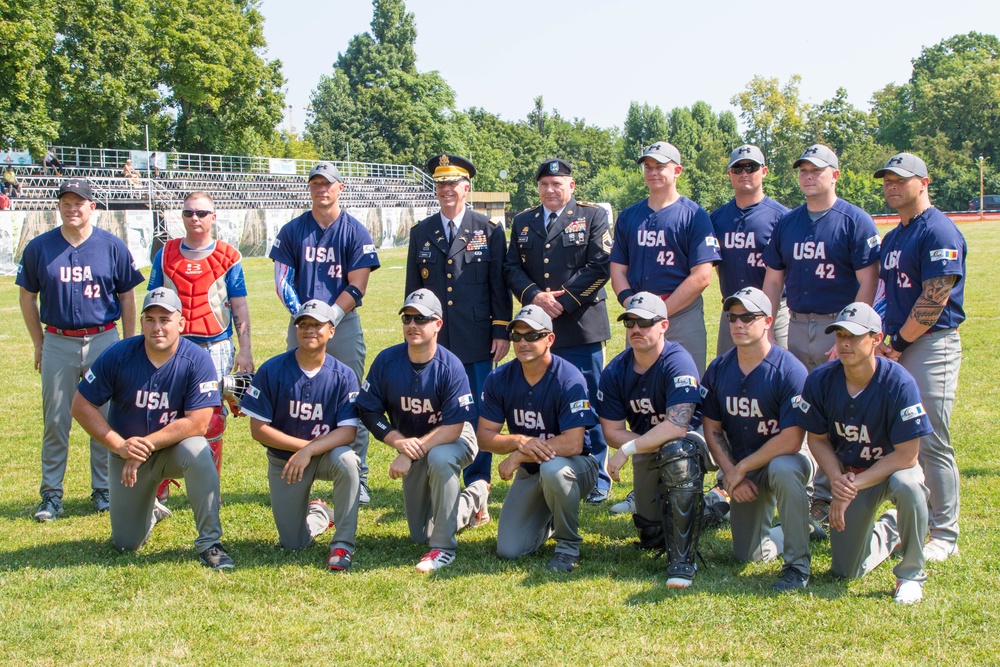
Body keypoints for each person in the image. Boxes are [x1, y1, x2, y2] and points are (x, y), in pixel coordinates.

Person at [70, 287, 234, 570]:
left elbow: (199, 422)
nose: (157, 327)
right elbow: (80, 405)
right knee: (125, 544)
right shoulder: (119, 355)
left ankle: (210, 543)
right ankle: (151, 511)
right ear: (142, 321)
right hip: (127, 455)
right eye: (150, 319)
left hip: (173, 451)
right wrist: (118, 445)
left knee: (198, 449)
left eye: (165, 319)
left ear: (180, 323)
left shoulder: (197, 359)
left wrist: (145, 445)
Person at [761, 144, 881, 523]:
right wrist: (764, 323)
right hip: (797, 322)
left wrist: (851, 333)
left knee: (838, 409)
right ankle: (804, 490)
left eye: (817, 170)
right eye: (803, 170)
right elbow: (774, 279)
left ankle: (834, 491)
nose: (809, 176)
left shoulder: (854, 219)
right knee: (802, 408)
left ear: (835, 174)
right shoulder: (788, 222)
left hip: (838, 325)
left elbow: (869, 281)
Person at [16, 178, 144, 521]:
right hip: (58, 339)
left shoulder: (111, 245)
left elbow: (127, 296)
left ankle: (103, 489)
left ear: (93, 207)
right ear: (59, 206)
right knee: (56, 419)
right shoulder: (40, 247)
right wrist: (39, 343)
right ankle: (51, 494)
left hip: (103, 339)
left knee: (103, 418)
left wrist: (129, 344)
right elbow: (27, 295)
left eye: (79, 203)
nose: (72, 208)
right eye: (66, 202)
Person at [796, 302, 932, 604]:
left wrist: (850, 488)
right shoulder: (820, 380)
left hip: (891, 470)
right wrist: (837, 480)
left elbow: (908, 455)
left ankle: (910, 574)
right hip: (849, 475)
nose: (845, 343)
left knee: (909, 486)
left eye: (855, 336)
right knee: (846, 571)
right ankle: (892, 528)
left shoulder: (899, 383)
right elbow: (817, 439)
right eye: (840, 335)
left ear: (876, 338)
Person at [405, 154, 512, 522]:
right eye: (440, 184)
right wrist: (415, 332)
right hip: (436, 340)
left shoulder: (490, 230)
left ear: (467, 188)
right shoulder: (422, 232)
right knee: (439, 410)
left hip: (477, 338)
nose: (447, 190)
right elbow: (413, 289)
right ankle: (439, 477)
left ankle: (478, 484)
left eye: (454, 184)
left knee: (477, 413)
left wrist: (501, 329)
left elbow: (499, 284)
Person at [874, 152, 966, 562]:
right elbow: (884, 294)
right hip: (897, 342)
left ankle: (945, 532)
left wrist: (898, 342)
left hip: (930, 344)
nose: (892, 186)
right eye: (887, 180)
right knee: (901, 434)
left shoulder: (939, 230)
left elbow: (935, 298)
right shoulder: (894, 236)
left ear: (924, 182)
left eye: (901, 179)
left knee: (930, 438)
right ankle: (919, 516)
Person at [269, 161, 380, 504]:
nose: (321, 189)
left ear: (339, 187)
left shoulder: (354, 230)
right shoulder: (292, 230)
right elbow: (282, 279)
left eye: (327, 183)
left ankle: (356, 475)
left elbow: (358, 283)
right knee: (293, 397)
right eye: (315, 183)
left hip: (342, 324)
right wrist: (306, 317)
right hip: (302, 324)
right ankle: (293, 468)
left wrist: (329, 317)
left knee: (351, 399)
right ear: (310, 188)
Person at [503, 158, 612, 505]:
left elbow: (601, 263)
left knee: (587, 398)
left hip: (580, 325)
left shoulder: (593, 216)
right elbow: (511, 268)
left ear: (572, 186)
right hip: (536, 328)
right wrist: (535, 296)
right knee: (546, 398)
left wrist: (563, 301)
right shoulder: (523, 221)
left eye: (558, 184)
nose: (551, 190)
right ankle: (549, 466)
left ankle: (597, 474)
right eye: (545, 184)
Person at [357, 289, 487, 572]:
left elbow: (453, 427)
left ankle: (444, 548)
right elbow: (368, 409)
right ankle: (475, 496)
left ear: (437, 324)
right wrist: (399, 443)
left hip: (454, 437)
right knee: (420, 534)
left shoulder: (450, 366)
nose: (412, 325)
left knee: (440, 459)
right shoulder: (387, 361)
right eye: (407, 318)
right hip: (412, 443)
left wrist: (410, 452)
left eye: (421, 318)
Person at [700, 287, 814, 592]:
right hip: (742, 464)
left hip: (785, 458)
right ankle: (797, 529)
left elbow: (791, 439)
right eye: (732, 317)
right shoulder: (720, 368)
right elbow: (711, 427)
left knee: (785, 469)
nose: (738, 324)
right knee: (748, 555)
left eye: (748, 317)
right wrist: (730, 471)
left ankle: (797, 566)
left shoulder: (789, 370)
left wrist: (739, 469)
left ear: (767, 321)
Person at [239, 300, 362, 571]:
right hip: (286, 461)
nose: (309, 330)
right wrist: (303, 449)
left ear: (331, 330)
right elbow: (258, 430)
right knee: (293, 544)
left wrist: (309, 451)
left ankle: (342, 544)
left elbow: (348, 432)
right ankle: (319, 514)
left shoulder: (344, 375)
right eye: (303, 324)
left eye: (317, 325)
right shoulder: (273, 370)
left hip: (327, 456)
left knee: (349, 462)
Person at [147, 192, 254, 502]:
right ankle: (161, 483)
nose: (195, 218)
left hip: (216, 345)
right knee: (165, 412)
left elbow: (239, 305)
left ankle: (209, 485)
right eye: (189, 213)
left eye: (202, 213)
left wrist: (245, 349)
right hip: (172, 346)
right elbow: (152, 301)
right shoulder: (165, 254)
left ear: (213, 216)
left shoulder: (228, 256)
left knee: (213, 416)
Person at [477, 306, 599, 572]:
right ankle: (552, 518)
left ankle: (568, 546)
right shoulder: (499, 378)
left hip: (576, 467)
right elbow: (484, 438)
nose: (523, 342)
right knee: (509, 550)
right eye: (517, 336)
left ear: (550, 339)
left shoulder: (569, 378)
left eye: (532, 335)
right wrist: (519, 440)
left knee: (553, 469)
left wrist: (520, 454)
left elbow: (573, 444)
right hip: (531, 473)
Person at [597, 293, 705, 588]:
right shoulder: (616, 370)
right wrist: (642, 444)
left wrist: (630, 448)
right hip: (648, 447)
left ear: (664, 326)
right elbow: (611, 431)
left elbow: (679, 426)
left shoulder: (678, 361)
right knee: (652, 535)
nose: (636, 329)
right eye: (630, 322)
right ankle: (703, 510)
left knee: (677, 451)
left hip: (693, 444)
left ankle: (685, 559)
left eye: (645, 322)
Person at [610, 141, 721, 375]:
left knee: (686, 384)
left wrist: (659, 312)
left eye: (660, 166)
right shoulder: (629, 215)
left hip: (682, 313)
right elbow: (618, 270)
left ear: (677, 171)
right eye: (648, 166)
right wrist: (634, 307)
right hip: (639, 316)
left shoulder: (695, 215)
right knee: (639, 386)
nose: (652, 172)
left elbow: (702, 276)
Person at [709, 145, 790, 355]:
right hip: (733, 310)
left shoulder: (783, 217)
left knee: (779, 371)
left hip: (774, 310)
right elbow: (717, 264)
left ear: (764, 171)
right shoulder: (717, 219)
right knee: (728, 374)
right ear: (729, 174)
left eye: (751, 167)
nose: (744, 173)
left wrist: (769, 321)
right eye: (737, 169)